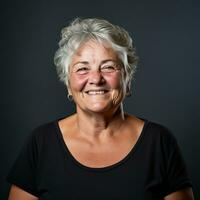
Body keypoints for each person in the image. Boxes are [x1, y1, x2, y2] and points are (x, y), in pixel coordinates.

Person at [7, 18, 194, 200]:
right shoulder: (41, 143)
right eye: (82, 69)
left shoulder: (159, 142)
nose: (96, 79)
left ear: (127, 80)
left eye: (108, 67)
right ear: (67, 84)